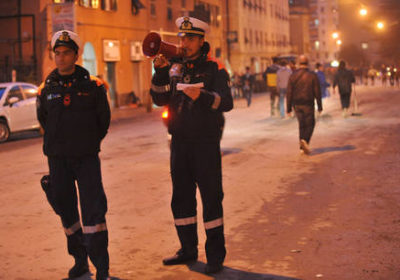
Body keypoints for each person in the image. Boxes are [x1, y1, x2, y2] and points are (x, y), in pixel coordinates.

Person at [149, 16, 233, 274]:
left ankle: (215, 256)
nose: (184, 42)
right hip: (180, 143)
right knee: (181, 198)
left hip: (206, 142)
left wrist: (204, 96)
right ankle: (187, 249)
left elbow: (227, 102)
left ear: (201, 40)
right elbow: (158, 99)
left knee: (211, 198)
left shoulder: (214, 68)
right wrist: (160, 72)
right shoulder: (173, 66)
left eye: (189, 38)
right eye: (182, 37)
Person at [36, 30, 111, 280]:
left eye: (66, 53)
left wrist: (87, 143)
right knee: (67, 211)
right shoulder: (47, 89)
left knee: (93, 213)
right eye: (57, 53)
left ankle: (101, 266)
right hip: (58, 160)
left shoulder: (93, 86)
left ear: (76, 55)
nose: (60, 58)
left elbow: (103, 121)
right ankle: (80, 260)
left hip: (86, 158)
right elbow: (43, 119)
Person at [286, 55, 322, 155]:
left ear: (299, 64)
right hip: (308, 103)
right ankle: (305, 140)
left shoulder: (293, 76)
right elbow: (317, 92)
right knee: (310, 124)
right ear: (307, 63)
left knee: (301, 124)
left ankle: (302, 147)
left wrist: (288, 108)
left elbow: (289, 92)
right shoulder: (312, 76)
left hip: (296, 104)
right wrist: (319, 106)